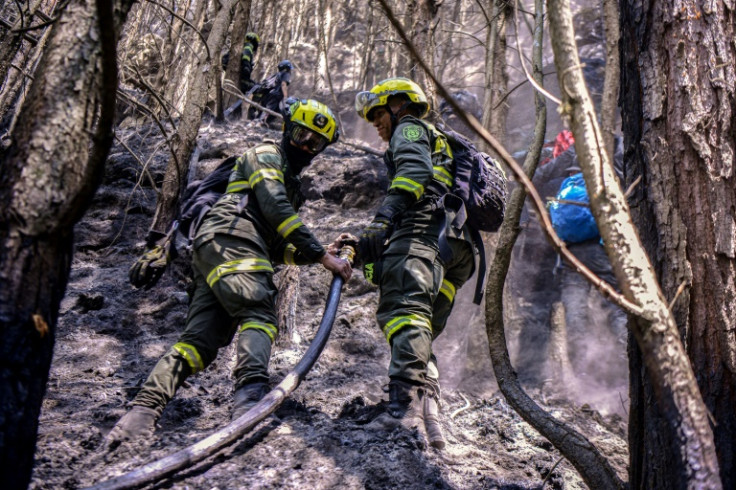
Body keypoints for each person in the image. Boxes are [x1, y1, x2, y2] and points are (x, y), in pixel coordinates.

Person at [108, 99, 351, 443]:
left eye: (315, 144)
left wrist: (316, 255)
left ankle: (142, 412)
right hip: (230, 236)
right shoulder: (266, 154)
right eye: (300, 135)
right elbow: (272, 204)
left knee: (200, 343)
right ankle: (249, 398)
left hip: (224, 251)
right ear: (286, 128)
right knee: (260, 313)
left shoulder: (291, 184)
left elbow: (276, 248)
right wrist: (323, 257)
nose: (305, 147)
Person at [352, 77, 477, 449]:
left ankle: (401, 412)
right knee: (421, 328)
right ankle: (431, 418)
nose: (375, 123)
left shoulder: (409, 127)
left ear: (399, 105)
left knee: (404, 312)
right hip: (457, 247)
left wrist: (383, 218)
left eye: (378, 113)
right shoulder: (438, 138)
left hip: (425, 231)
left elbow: (414, 174)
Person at [248, 60, 293, 125]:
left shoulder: (277, 74)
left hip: (268, 94)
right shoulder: (286, 74)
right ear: (287, 68)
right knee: (268, 111)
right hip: (275, 96)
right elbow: (283, 84)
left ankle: (253, 123)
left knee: (263, 110)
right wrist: (285, 97)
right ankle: (259, 124)